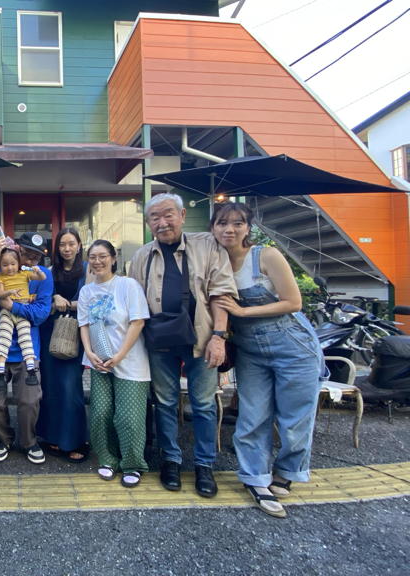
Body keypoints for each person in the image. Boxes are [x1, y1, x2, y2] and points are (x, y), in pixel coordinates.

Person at [211, 202, 322, 518]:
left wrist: (244, 311)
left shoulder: (266, 256)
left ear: (248, 228)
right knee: (252, 416)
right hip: (250, 351)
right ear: (212, 228)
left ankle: (287, 470)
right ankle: (255, 478)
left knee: (295, 416)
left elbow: (293, 302)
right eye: (222, 223)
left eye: (237, 223)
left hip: (294, 345)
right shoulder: (215, 262)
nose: (229, 229)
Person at [129, 192, 236, 498]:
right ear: (148, 223)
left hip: (202, 339)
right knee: (164, 402)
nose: (162, 223)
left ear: (182, 215)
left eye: (168, 215)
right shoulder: (142, 256)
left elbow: (220, 293)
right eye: (155, 217)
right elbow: (134, 302)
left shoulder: (207, 245)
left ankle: (204, 465)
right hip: (159, 341)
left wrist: (219, 337)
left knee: (203, 404)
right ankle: (171, 461)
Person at [79, 240, 150, 488]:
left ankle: (132, 464)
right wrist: (89, 353)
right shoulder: (86, 291)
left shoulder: (128, 285)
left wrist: (119, 355)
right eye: (92, 257)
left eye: (102, 256)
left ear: (113, 259)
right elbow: (84, 325)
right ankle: (108, 459)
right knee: (100, 413)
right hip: (99, 362)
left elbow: (138, 322)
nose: (97, 261)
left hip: (130, 361)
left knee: (128, 417)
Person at [0, 232, 52, 465]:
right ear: (17, 251)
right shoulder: (0, 268)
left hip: (27, 348)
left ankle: (29, 441)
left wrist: (13, 306)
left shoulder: (42, 275)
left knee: (29, 401)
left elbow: (41, 314)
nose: (31, 260)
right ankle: (4, 439)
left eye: (36, 256)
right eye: (27, 254)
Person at [37, 227, 90, 463]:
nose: (67, 249)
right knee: (50, 387)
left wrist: (69, 303)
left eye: (71, 244)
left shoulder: (88, 270)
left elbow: (95, 299)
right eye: (62, 244)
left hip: (75, 334)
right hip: (49, 332)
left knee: (70, 387)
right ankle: (52, 436)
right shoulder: (49, 271)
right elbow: (39, 300)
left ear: (79, 246)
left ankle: (75, 440)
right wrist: (52, 297)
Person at [0, 237, 47, 390]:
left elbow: (42, 278)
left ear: (18, 263)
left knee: (26, 338)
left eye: (12, 264)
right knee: (4, 337)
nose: (9, 268)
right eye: (5, 265)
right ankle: (0, 371)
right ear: (0, 265)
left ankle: (30, 369)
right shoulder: (0, 277)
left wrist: (38, 271)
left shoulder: (24, 274)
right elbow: (0, 294)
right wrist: (9, 292)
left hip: (22, 309)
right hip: (6, 311)